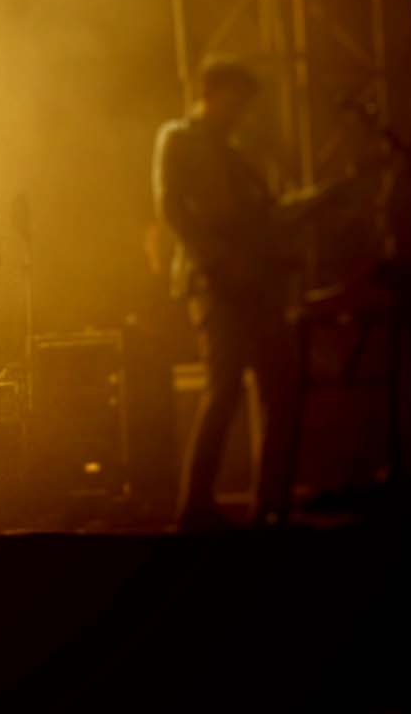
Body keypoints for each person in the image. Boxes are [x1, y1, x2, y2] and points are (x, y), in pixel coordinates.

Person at [152, 56, 293, 530]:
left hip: (254, 283)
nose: (241, 112)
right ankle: (194, 505)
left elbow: (263, 217)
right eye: (235, 101)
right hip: (213, 282)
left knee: (277, 388)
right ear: (208, 94)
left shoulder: (236, 153)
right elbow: (171, 207)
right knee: (224, 388)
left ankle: (270, 504)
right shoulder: (178, 138)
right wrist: (217, 260)